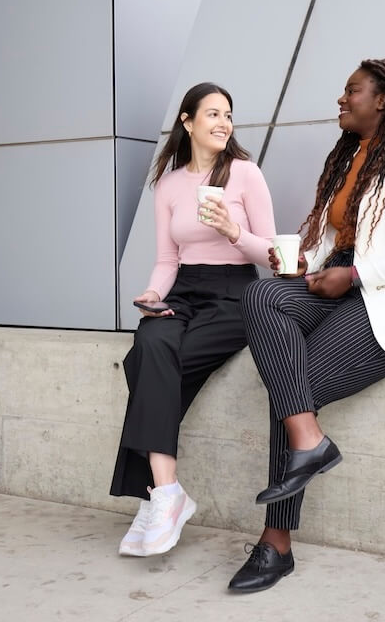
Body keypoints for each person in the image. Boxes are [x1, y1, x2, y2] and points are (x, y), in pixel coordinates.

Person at [227, 58, 385, 593]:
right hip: (341, 282)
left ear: (382, 100)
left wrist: (355, 274)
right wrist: (312, 260)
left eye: (351, 91)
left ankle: (275, 543)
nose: (341, 99)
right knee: (263, 295)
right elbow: (343, 237)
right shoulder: (352, 157)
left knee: (292, 384)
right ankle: (309, 439)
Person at [110, 82, 276, 557]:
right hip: (182, 290)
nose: (224, 123)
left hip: (237, 293)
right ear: (187, 121)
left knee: (148, 363)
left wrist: (233, 230)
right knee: (151, 342)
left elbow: (272, 255)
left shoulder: (245, 174)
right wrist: (152, 294)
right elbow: (167, 259)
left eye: (228, 115)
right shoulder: (168, 183)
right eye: (213, 114)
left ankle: (154, 496)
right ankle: (167, 492)